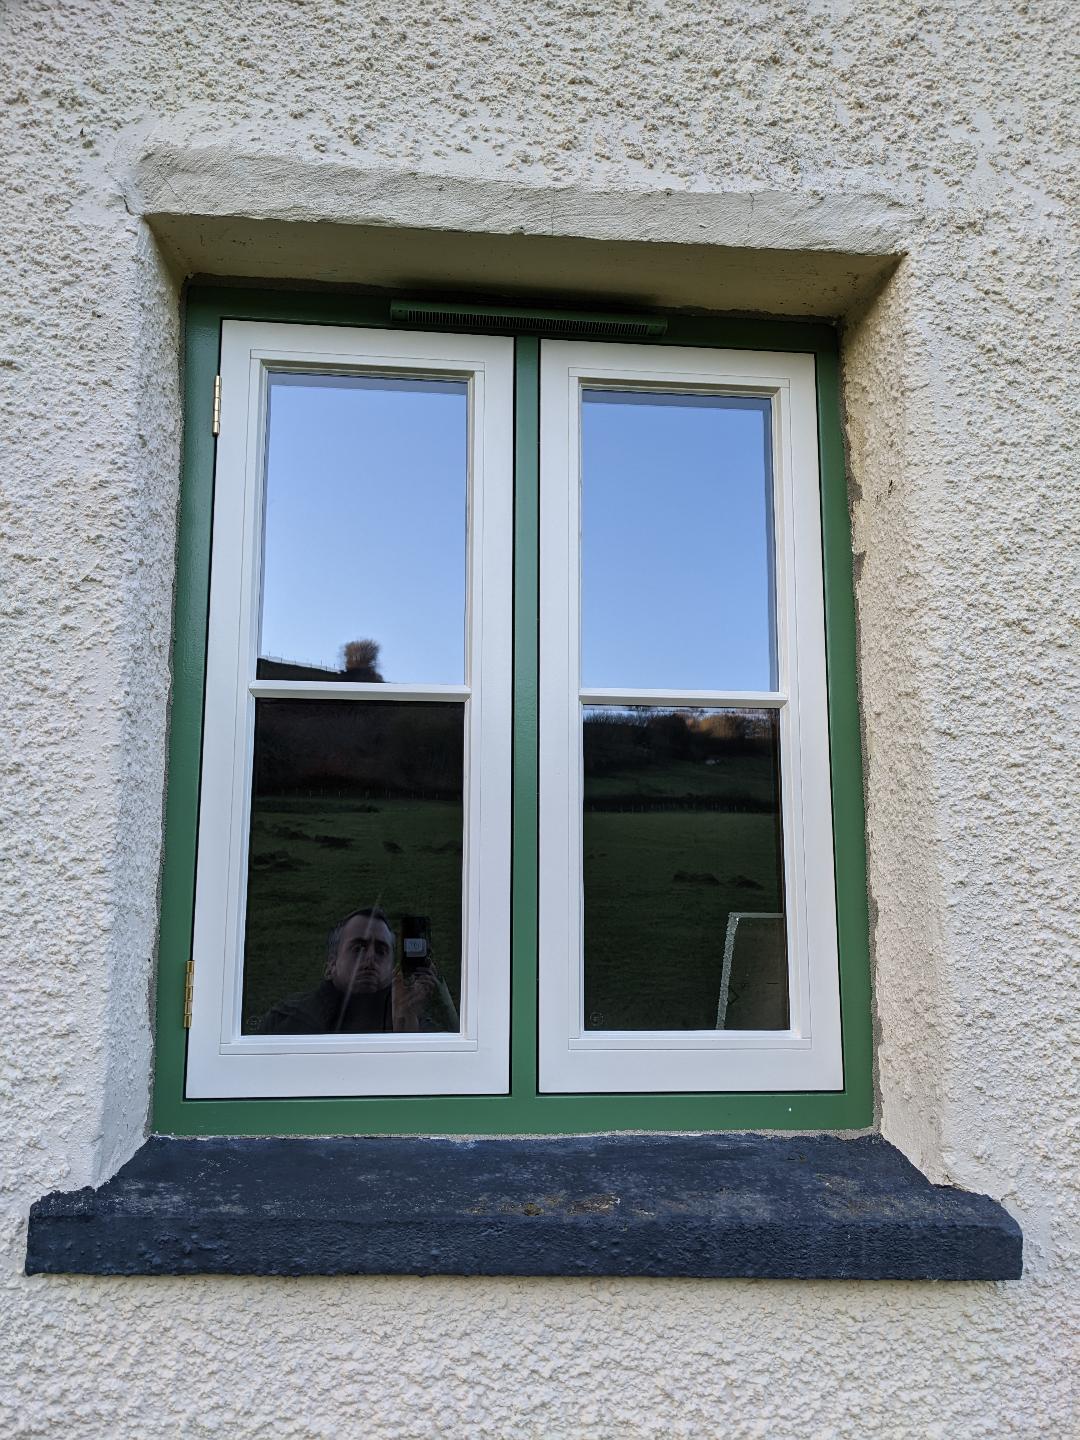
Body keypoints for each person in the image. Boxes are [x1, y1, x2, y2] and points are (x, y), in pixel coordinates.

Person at [254, 906, 459, 1034]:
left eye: (381, 950)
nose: (370, 957)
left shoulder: (414, 1020)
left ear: (392, 969)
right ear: (330, 966)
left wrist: (407, 1020)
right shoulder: (289, 1020)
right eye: (358, 948)